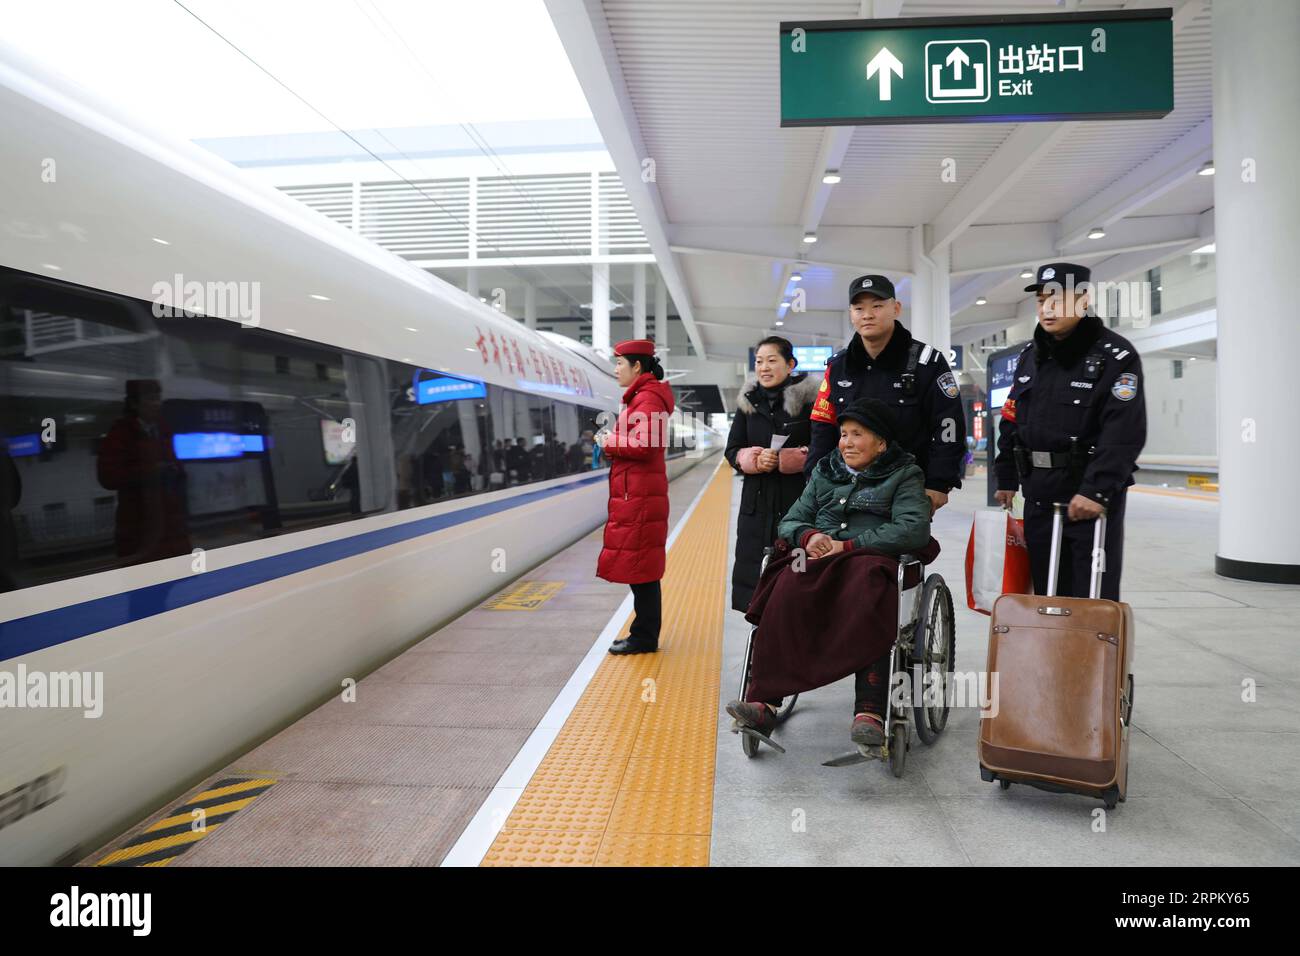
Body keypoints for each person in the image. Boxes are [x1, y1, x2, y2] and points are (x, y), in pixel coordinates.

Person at [727, 398, 932, 747]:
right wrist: (809, 536)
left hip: (869, 557)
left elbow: (913, 530)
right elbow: (791, 520)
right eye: (843, 434)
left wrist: (850, 546)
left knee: (869, 589)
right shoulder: (826, 470)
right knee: (787, 585)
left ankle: (869, 710)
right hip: (818, 556)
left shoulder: (904, 474)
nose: (846, 442)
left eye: (857, 435)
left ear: (881, 443)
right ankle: (765, 702)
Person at [994, 262, 1146, 600]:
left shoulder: (1115, 356)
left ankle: (1091, 654)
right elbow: (1013, 416)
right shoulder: (1030, 356)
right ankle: (1053, 654)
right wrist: (1005, 477)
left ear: (1083, 300)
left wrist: (1097, 491)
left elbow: (1124, 432)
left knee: (1091, 597)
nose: (1047, 308)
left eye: (1058, 299)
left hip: (1088, 499)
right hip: (1039, 495)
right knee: (1046, 594)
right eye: (1042, 299)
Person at [807, 275, 966, 516]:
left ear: (896, 308)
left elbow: (948, 424)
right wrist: (813, 477)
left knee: (901, 551)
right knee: (842, 552)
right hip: (844, 490)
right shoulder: (838, 367)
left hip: (906, 490)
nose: (867, 315)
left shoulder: (927, 362)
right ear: (851, 314)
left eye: (877, 306)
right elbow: (823, 426)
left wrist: (939, 482)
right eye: (859, 308)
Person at [725, 335, 820, 611]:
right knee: (754, 586)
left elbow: (825, 450)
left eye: (771, 360)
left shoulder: (810, 401)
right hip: (755, 508)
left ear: (790, 364)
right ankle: (761, 648)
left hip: (796, 503)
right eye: (758, 362)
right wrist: (752, 459)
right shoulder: (748, 403)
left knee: (795, 584)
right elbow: (732, 450)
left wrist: (786, 459)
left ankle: (792, 647)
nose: (764, 367)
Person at [596, 339, 675, 655]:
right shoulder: (642, 399)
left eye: (619, 364)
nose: (616, 370)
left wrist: (608, 440)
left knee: (642, 570)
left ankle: (644, 637)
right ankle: (642, 633)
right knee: (641, 569)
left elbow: (647, 445)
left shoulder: (649, 399)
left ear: (637, 366)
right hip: (638, 496)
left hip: (641, 499)